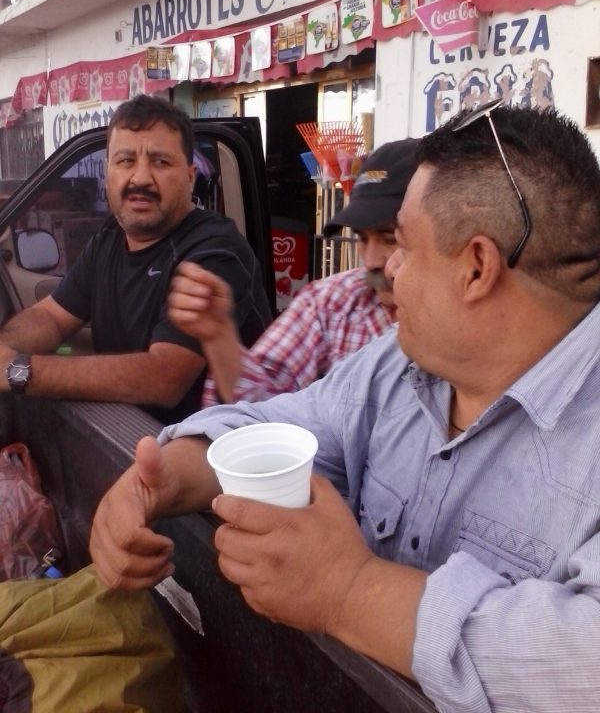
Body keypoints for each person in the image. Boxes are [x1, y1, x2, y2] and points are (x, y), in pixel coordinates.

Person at [90, 102, 600, 713]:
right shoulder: (397, 364)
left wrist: (352, 591)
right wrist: (166, 477)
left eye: (403, 245)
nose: (386, 270)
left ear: (476, 268)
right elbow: (282, 424)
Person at [0, 94, 272, 424]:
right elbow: (52, 318)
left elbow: (163, 378)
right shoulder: (109, 239)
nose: (140, 178)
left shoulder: (216, 251)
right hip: (126, 438)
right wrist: (4, 350)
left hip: (209, 458)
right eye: (126, 160)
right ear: (108, 172)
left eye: (160, 162)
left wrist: (20, 371)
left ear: (189, 176)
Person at [167, 139, 418, 404]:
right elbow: (262, 407)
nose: (371, 261)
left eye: (390, 239)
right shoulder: (330, 302)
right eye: (362, 239)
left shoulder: (461, 322)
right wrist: (220, 336)